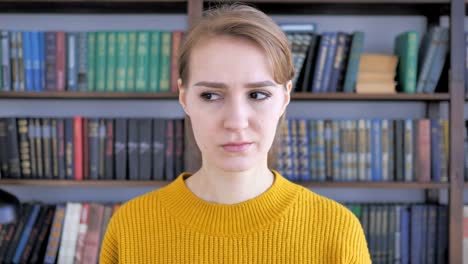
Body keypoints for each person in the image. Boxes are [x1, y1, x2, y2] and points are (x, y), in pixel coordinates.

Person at [100, 4, 371, 263]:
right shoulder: (131, 226)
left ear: (285, 97)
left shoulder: (337, 230)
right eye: (210, 95)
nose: (236, 122)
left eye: (257, 94)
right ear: (184, 97)